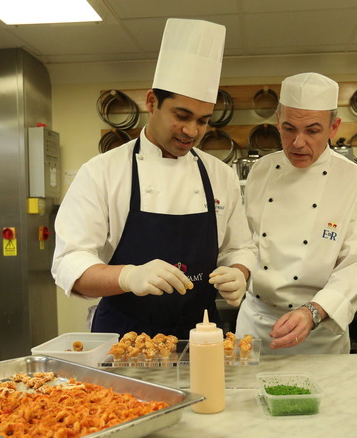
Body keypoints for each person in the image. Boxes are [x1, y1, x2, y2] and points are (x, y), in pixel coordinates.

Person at [51, 18, 256, 339]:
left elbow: (240, 248)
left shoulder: (220, 175)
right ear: (151, 102)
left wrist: (239, 272)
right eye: (181, 115)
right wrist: (127, 277)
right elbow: (69, 263)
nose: (192, 131)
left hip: (201, 335)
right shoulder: (102, 172)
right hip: (123, 339)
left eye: (203, 121)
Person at [237, 72, 357, 354]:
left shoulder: (354, 180)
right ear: (277, 121)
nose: (298, 142)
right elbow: (246, 241)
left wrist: (313, 312)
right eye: (289, 128)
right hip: (256, 325)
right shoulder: (261, 171)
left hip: (319, 331)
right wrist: (237, 269)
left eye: (312, 131)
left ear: (333, 127)